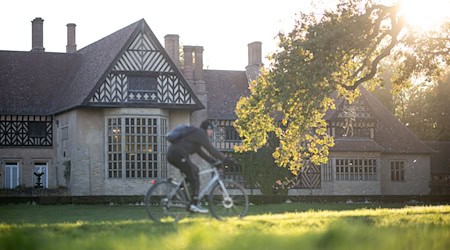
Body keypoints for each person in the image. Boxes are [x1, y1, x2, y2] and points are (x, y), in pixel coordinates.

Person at [167, 120, 226, 213]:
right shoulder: (201, 133)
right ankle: (193, 204)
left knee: (195, 170)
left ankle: (182, 193)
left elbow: (202, 153)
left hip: (173, 154)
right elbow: (211, 150)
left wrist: (213, 162)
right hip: (178, 155)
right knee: (194, 176)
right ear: (208, 129)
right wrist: (225, 159)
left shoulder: (196, 137)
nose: (212, 133)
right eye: (212, 130)